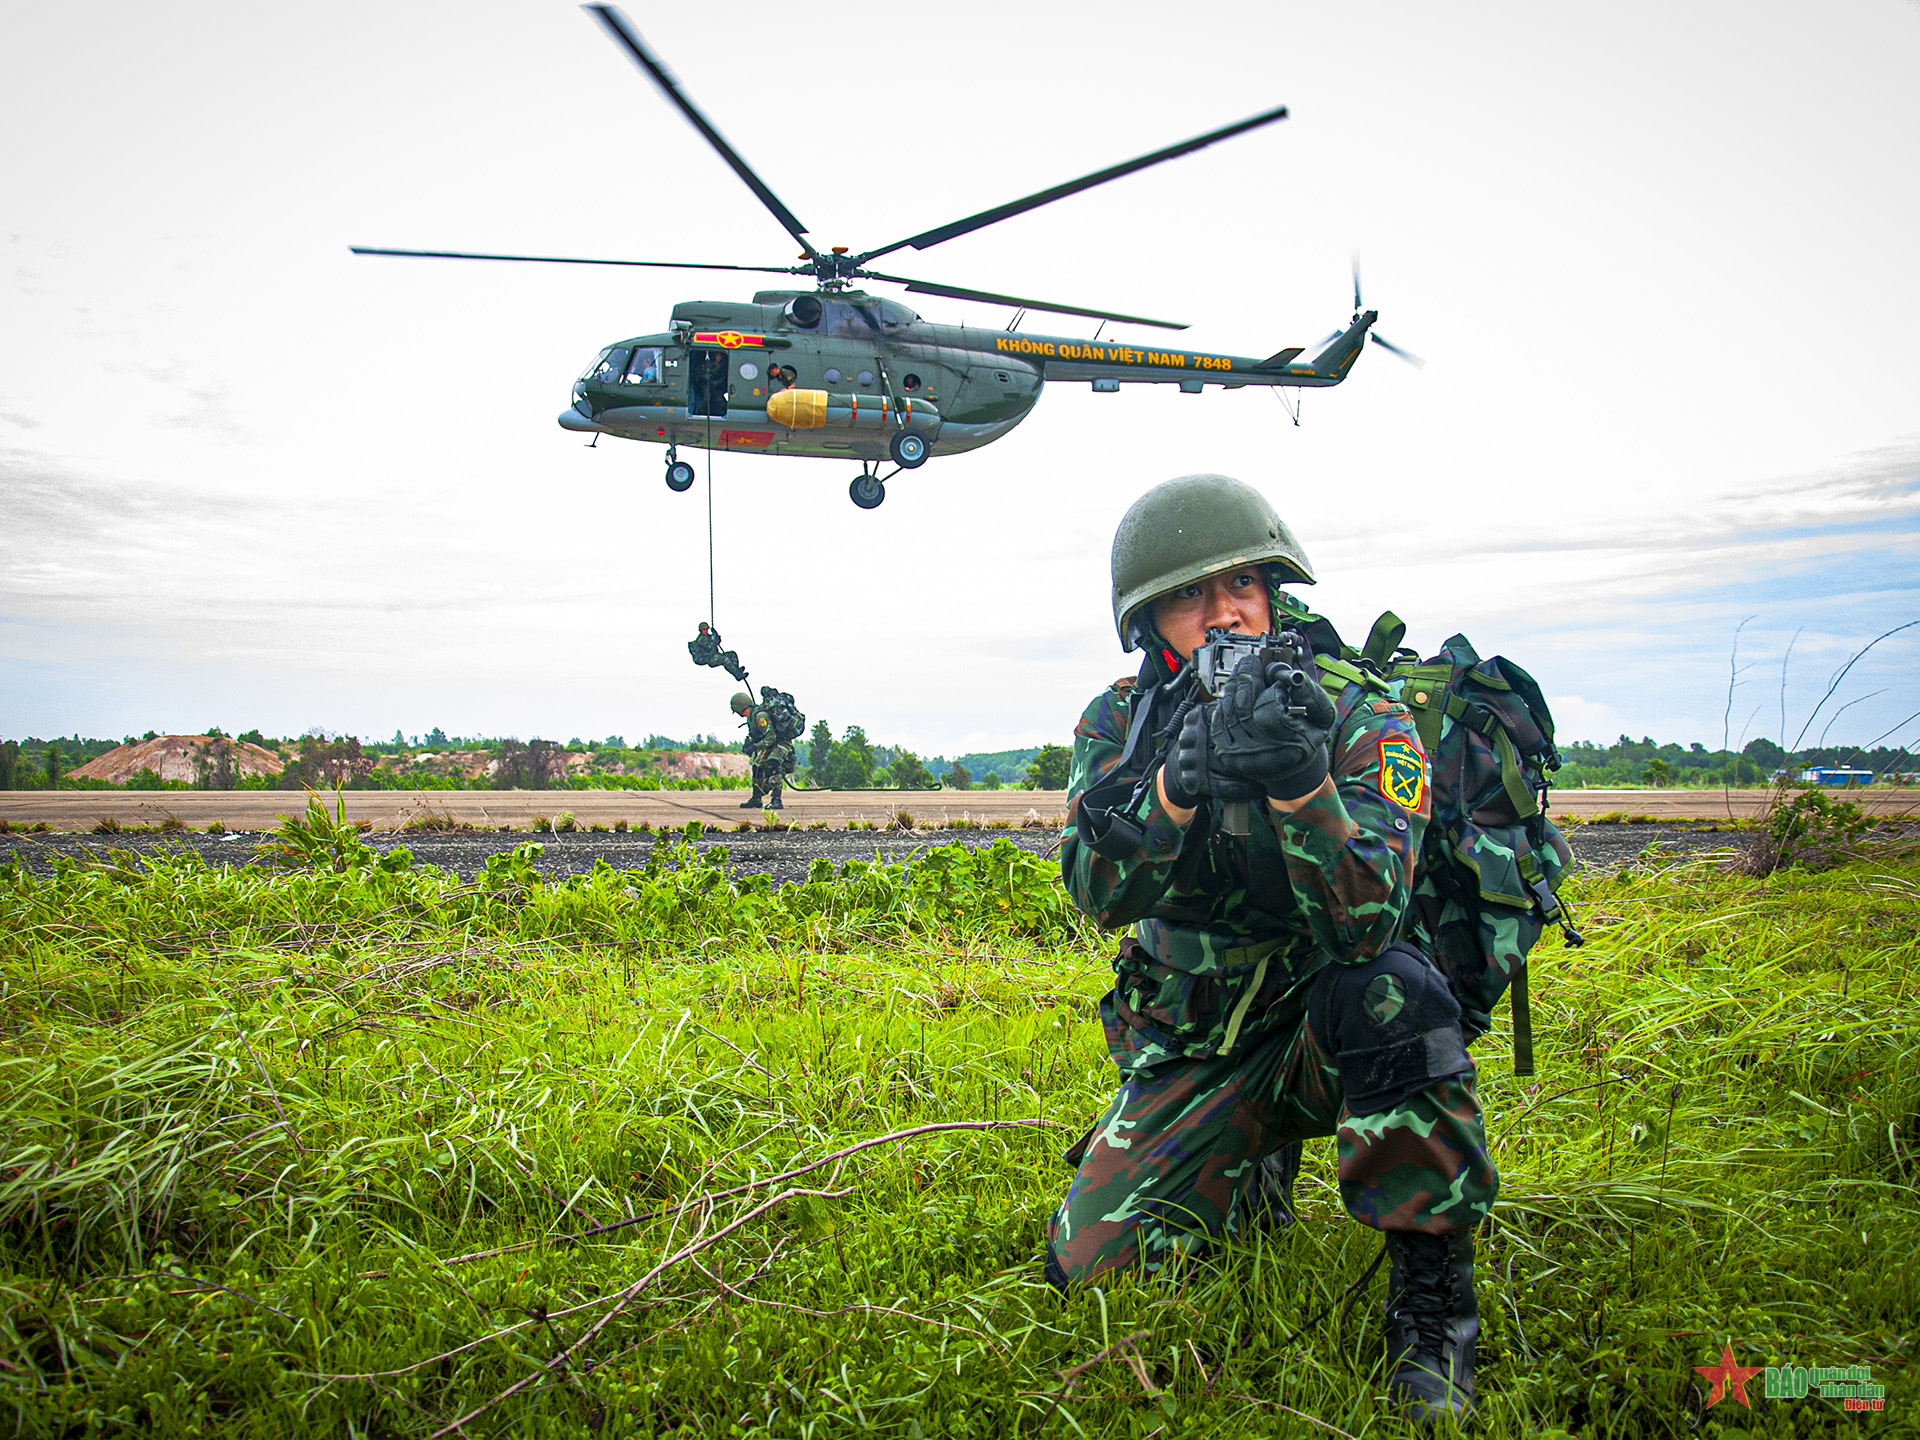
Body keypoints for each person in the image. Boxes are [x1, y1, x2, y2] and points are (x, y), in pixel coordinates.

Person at [1048, 473, 1492, 1424]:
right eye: (1189, 595)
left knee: (1395, 988)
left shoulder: (1357, 714)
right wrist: (1169, 788)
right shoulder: (1118, 722)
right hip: (1198, 1045)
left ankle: (1433, 1312)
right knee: (1094, 1271)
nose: (1223, 615)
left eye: (1242, 585)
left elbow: (1369, 921)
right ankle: (1248, 1167)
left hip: (1328, 1036)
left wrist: (1301, 786)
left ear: (1275, 592)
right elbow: (1095, 892)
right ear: (1149, 622)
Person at [731, 691, 794, 809]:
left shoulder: (760, 716)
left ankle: (776, 800)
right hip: (770, 743)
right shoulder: (751, 717)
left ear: (740, 707)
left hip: (781, 742)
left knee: (773, 764)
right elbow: (759, 735)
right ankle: (756, 798)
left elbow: (771, 737)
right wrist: (750, 743)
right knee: (757, 767)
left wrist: (755, 746)